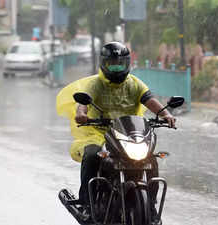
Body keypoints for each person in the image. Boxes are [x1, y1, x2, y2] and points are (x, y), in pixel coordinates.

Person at [56, 41, 175, 222]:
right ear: (104, 63)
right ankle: (87, 203)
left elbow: (150, 101)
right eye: (113, 63)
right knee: (91, 155)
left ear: (127, 63)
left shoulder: (135, 84)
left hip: (130, 133)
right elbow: (83, 106)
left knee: (151, 160)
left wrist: (166, 114)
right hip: (98, 132)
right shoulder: (95, 85)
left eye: (121, 63)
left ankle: (150, 205)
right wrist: (81, 115)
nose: (117, 68)